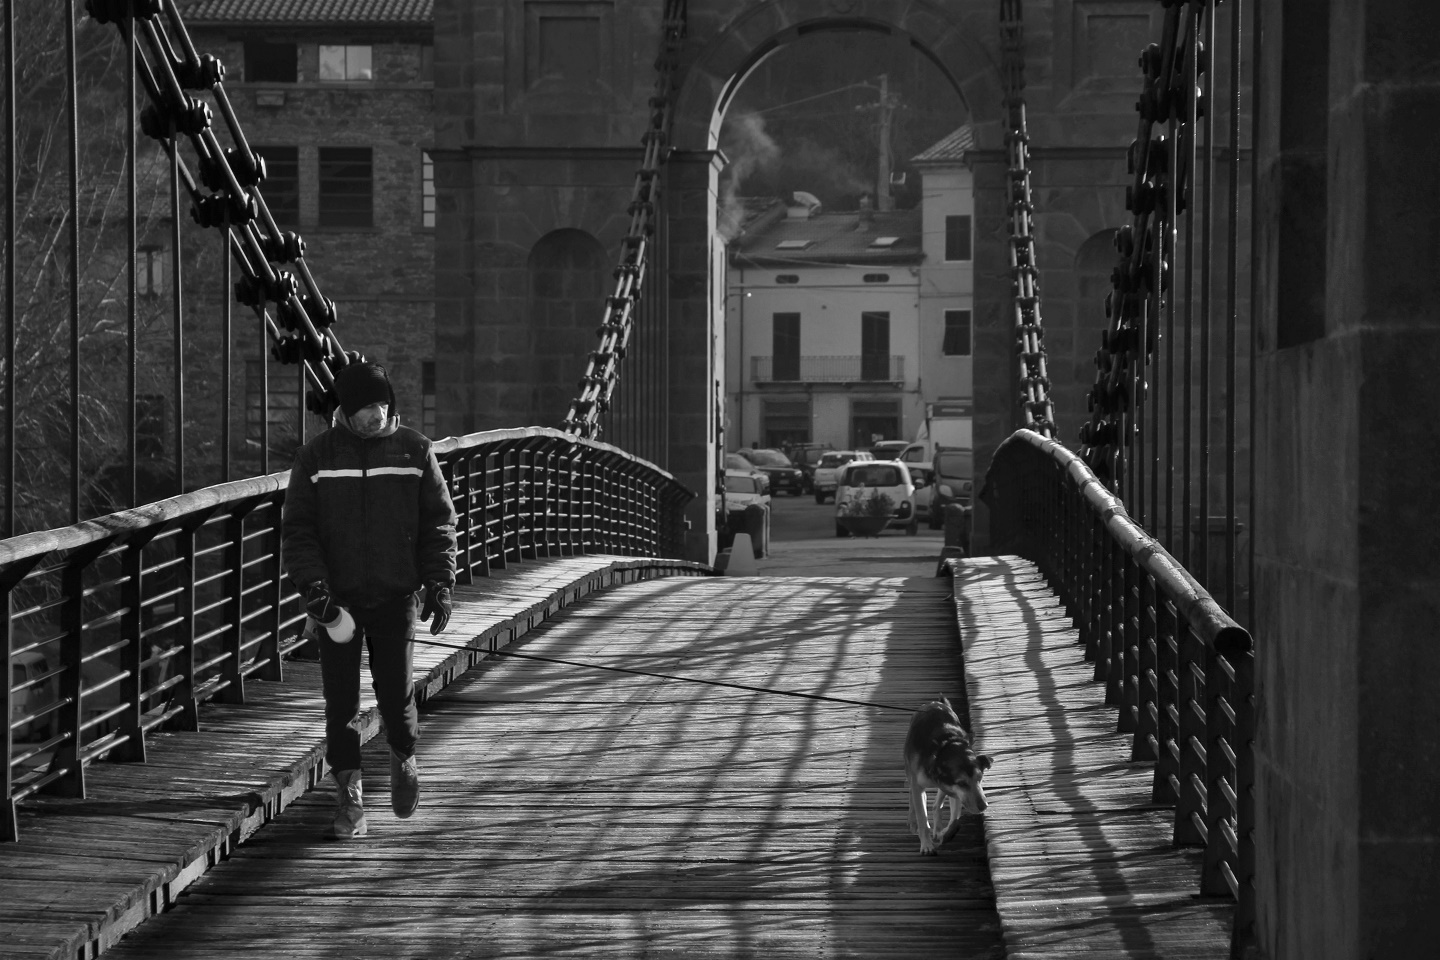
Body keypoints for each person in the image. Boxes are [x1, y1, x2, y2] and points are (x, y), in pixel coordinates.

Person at [281, 361, 458, 840]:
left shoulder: (415, 452)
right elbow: (298, 532)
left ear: (390, 404)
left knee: (394, 695)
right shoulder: (316, 458)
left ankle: (404, 755)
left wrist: (439, 584)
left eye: (379, 406)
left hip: (394, 596)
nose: (371, 417)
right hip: (337, 604)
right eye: (361, 410)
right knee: (340, 705)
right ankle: (349, 798)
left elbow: (438, 526)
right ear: (344, 411)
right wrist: (315, 592)